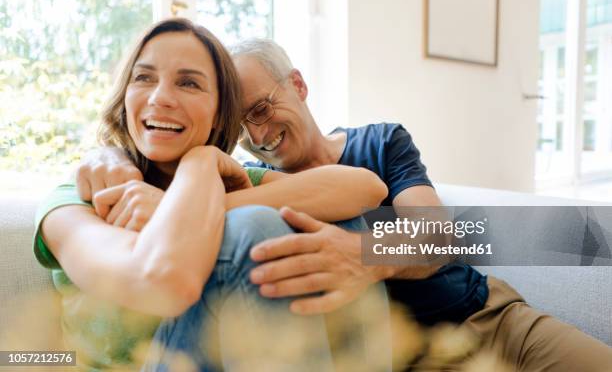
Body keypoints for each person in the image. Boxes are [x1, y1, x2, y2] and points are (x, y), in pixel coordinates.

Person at [78, 38, 612, 371]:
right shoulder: (253, 184)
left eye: (264, 107)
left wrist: (361, 254)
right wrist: (114, 160)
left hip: (489, 317)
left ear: (299, 85)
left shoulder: (379, 143)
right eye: (242, 126)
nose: (260, 133)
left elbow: (443, 235)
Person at [34, 19, 391, 371]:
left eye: (188, 83)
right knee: (254, 224)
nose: (161, 97)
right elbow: (161, 283)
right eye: (143, 78)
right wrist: (196, 175)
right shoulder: (77, 199)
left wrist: (196, 180)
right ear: (125, 97)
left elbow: (367, 190)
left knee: (343, 222)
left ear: (220, 116)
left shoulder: (228, 177)